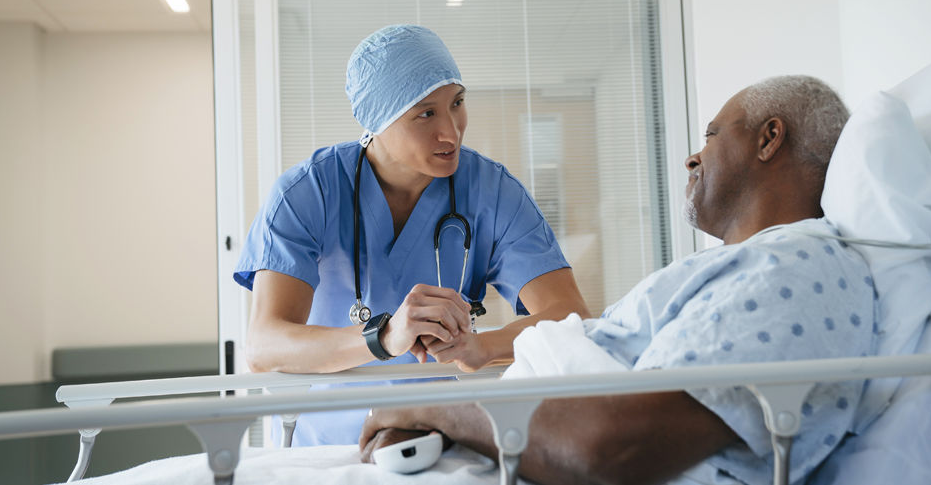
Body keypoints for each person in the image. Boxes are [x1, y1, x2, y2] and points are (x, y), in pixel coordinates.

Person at [360, 75, 877, 485]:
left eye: (713, 135)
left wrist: (432, 405)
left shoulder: (794, 270)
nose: (693, 157)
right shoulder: (738, 267)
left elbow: (613, 448)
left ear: (770, 138)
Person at [234, 24, 590, 445]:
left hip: (437, 441)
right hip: (323, 446)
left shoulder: (491, 192)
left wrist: (485, 347)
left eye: (457, 103)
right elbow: (264, 346)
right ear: (377, 120)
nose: (451, 132)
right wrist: (384, 337)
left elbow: (571, 319)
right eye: (426, 113)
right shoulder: (309, 193)